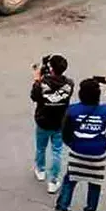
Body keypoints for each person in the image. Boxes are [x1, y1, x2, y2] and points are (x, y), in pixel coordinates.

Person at [51, 77, 106, 211]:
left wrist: (74, 145)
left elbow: (65, 132)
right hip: (98, 155)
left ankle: (60, 209)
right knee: (95, 183)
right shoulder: (105, 111)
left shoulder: (73, 110)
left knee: (70, 180)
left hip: (78, 152)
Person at [31, 54, 74, 193]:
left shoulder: (42, 83)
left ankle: (40, 169)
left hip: (43, 121)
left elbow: (34, 96)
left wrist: (37, 79)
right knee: (57, 152)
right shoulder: (69, 84)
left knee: (41, 147)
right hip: (59, 122)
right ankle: (53, 180)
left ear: (51, 68)